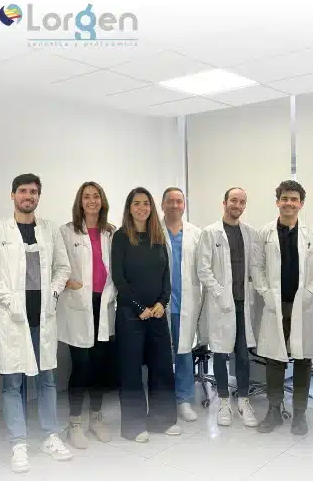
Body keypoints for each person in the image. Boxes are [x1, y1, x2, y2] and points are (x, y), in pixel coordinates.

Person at [0, 173, 72, 473]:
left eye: (33, 192)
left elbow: (63, 268)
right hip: (13, 318)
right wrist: (10, 300)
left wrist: (54, 293)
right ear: (13, 195)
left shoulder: (49, 229)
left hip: (43, 318)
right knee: (12, 383)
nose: (28, 196)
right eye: (22, 191)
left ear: (38, 196)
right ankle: (18, 442)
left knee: (47, 380)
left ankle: (50, 436)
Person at [252, 180, 313, 435]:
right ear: (277, 202)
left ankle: (299, 414)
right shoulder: (264, 233)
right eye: (284, 198)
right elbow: (256, 266)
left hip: (302, 305)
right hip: (275, 305)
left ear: (301, 204)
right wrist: (266, 293)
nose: (289, 203)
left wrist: (310, 293)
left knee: (302, 359)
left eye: (294, 199)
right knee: (274, 359)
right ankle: (274, 411)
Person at [111, 187, 182, 442]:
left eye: (146, 203)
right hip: (131, 315)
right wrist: (138, 307)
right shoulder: (121, 237)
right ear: (129, 208)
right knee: (131, 372)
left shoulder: (158, 236)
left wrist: (162, 302)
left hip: (157, 313)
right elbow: (119, 278)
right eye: (137, 203)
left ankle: (162, 421)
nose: (142, 208)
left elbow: (166, 274)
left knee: (162, 367)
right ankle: (133, 426)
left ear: (151, 208)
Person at [58, 181, 116, 448]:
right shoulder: (66, 231)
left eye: (96, 196)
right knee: (81, 365)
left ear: (102, 201)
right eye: (86, 197)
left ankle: (96, 418)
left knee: (100, 365)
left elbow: (115, 268)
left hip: (103, 304)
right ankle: (74, 423)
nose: (92, 201)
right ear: (80, 202)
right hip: (78, 304)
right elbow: (57, 265)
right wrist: (69, 282)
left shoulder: (110, 232)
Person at [197, 187, 258, 428]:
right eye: (234, 200)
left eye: (242, 202)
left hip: (243, 303)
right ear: (224, 203)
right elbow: (203, 269)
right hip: (221, 303)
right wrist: (220, 294)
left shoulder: (249, 232)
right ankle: (223, 402)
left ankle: (243, 401)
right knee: (221, 353)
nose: (237, 205)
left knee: (242, 354)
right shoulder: (210, 233)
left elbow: (254, 266)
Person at [160, 187, 203, 422]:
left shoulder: (196, 234)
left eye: (179, 201)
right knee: (160, 355)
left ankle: (184, 399)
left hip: (186, 302)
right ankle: (163, 397)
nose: (175, 205)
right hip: (160, 303)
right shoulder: (153, 231)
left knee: (184, 352)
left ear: (184, 206)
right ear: (162, 204)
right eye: (170, 201)